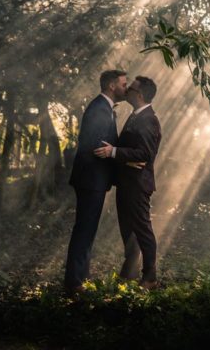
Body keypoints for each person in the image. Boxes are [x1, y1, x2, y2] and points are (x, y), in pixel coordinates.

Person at [94, 76, 162, 289]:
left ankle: (150, 277)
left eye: (130, 88)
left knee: (142, 228)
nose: (127, 91)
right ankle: (129, 272)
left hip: (138, 184)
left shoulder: (149, 119)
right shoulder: (136, 116)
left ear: (139, 95)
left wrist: (113, 152)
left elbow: (144, 153)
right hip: (127, 182)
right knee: (128, 229)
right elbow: (134, 151)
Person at [63, 70, 127, 295]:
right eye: (123, 84)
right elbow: (93, 142)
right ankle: (74, 282)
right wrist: (111, 152)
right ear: (111, 85)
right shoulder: (99, 108)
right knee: (84, 228)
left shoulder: (105, 108)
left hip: (93, 178)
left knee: (88, 229)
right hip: (91, 178)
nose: (125, 88)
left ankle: (81, 276)